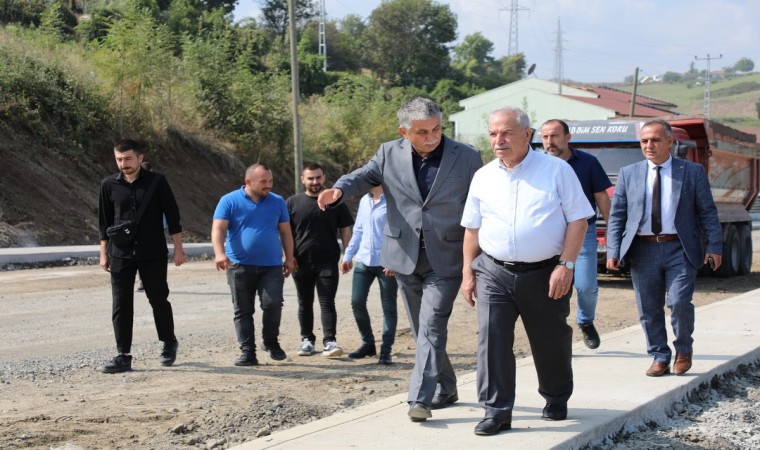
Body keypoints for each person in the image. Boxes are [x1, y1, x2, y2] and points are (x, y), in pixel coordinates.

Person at [317, 97, 483, 423]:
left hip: (447, 257)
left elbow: (483, 203)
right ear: (404, 131)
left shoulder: (466, 157)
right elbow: (362, 176)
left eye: (436, 129)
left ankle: (419, 398)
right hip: (404, 257)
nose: (432, 137)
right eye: (422, 132)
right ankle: (447, 387)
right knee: (424, 330)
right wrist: (339, 189)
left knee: (432, 327)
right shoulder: (388, 153)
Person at [460, 106, 594, 436]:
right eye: (493, 133)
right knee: (491, 338)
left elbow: (578, 220)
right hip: (493, 271)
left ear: (526, 135)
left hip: (546, 273)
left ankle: (555, 396)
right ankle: (497, 409)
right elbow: (472, 229)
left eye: (506, 133)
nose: (498, 140)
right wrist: (467, 271)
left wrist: (566, 265)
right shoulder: (483, 176)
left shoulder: (556, 171)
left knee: (550, 340)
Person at [606, 119, 722, 377]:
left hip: (680, 248)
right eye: (645, 140)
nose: (649, 145)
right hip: (642, 249)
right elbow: (618, 215)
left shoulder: (691, 172)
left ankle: (683, 350)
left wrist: (714, 245)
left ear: (670, 142)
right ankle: (659, 355)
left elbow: (707, 212)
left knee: (679, 301)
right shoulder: (629, 173)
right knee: (648, 308)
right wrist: (614, 250)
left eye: (655, 140)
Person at [98, 139, 186, 374]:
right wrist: (103, 254)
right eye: (119, 159)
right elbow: (104, 222)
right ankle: (123, 355)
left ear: (140, 158)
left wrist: (178, 248)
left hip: (152, 252)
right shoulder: (108, 185)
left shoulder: (157, 181)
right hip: (120, 253)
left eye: (127, 159)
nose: (123, 164)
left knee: (158, 299)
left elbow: (173, 215)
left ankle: (168, 342)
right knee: (121, 303)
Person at [212, 164, 297, 366]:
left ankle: (270, 341)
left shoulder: (277, 202)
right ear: (248, 182)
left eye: (271, 180)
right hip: (239, 265)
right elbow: (218, 228)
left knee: (273, 303)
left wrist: (290, 257)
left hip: (271, 266)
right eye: (263, 181)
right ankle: (247, 351)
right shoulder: (229, 200)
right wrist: (219, 253)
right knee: (243, 310)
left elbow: (285, 232)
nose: (269, 185)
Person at [541, 119, 612, 349]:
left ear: (568, 138)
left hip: (584, 234)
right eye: (545, 137)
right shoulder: (537, 164)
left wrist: (613, 231)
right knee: (550, 289)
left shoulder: (588, 163)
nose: (549, 142)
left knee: (585, 286)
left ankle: (586, 321)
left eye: (554, 136)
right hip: (549, 235)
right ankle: (557, 334)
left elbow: (602, 197)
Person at [287, 163, 353, 358]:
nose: (315, 182)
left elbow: (345, 229)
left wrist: (347, 255)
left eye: (318, 178)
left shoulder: (335, 201)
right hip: (301, 262)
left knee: (327, 302)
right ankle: (307, 340)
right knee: (304, 302)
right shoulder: (292, 202)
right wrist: (288, 257)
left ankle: (330, 341)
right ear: (303, 180)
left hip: (328, 261)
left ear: (324, 178)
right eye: (310, 178)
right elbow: (285, 232)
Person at [340, 185, 398, 365]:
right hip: (363, 260)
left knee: (388, 307)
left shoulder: (394, 200)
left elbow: (401, 232)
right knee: (357, 302)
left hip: (386, 263)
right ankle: (368, 344)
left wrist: (394, 259)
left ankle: (386, 351)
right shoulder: (364, 200)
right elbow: (358, 230)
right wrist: (348, 255)